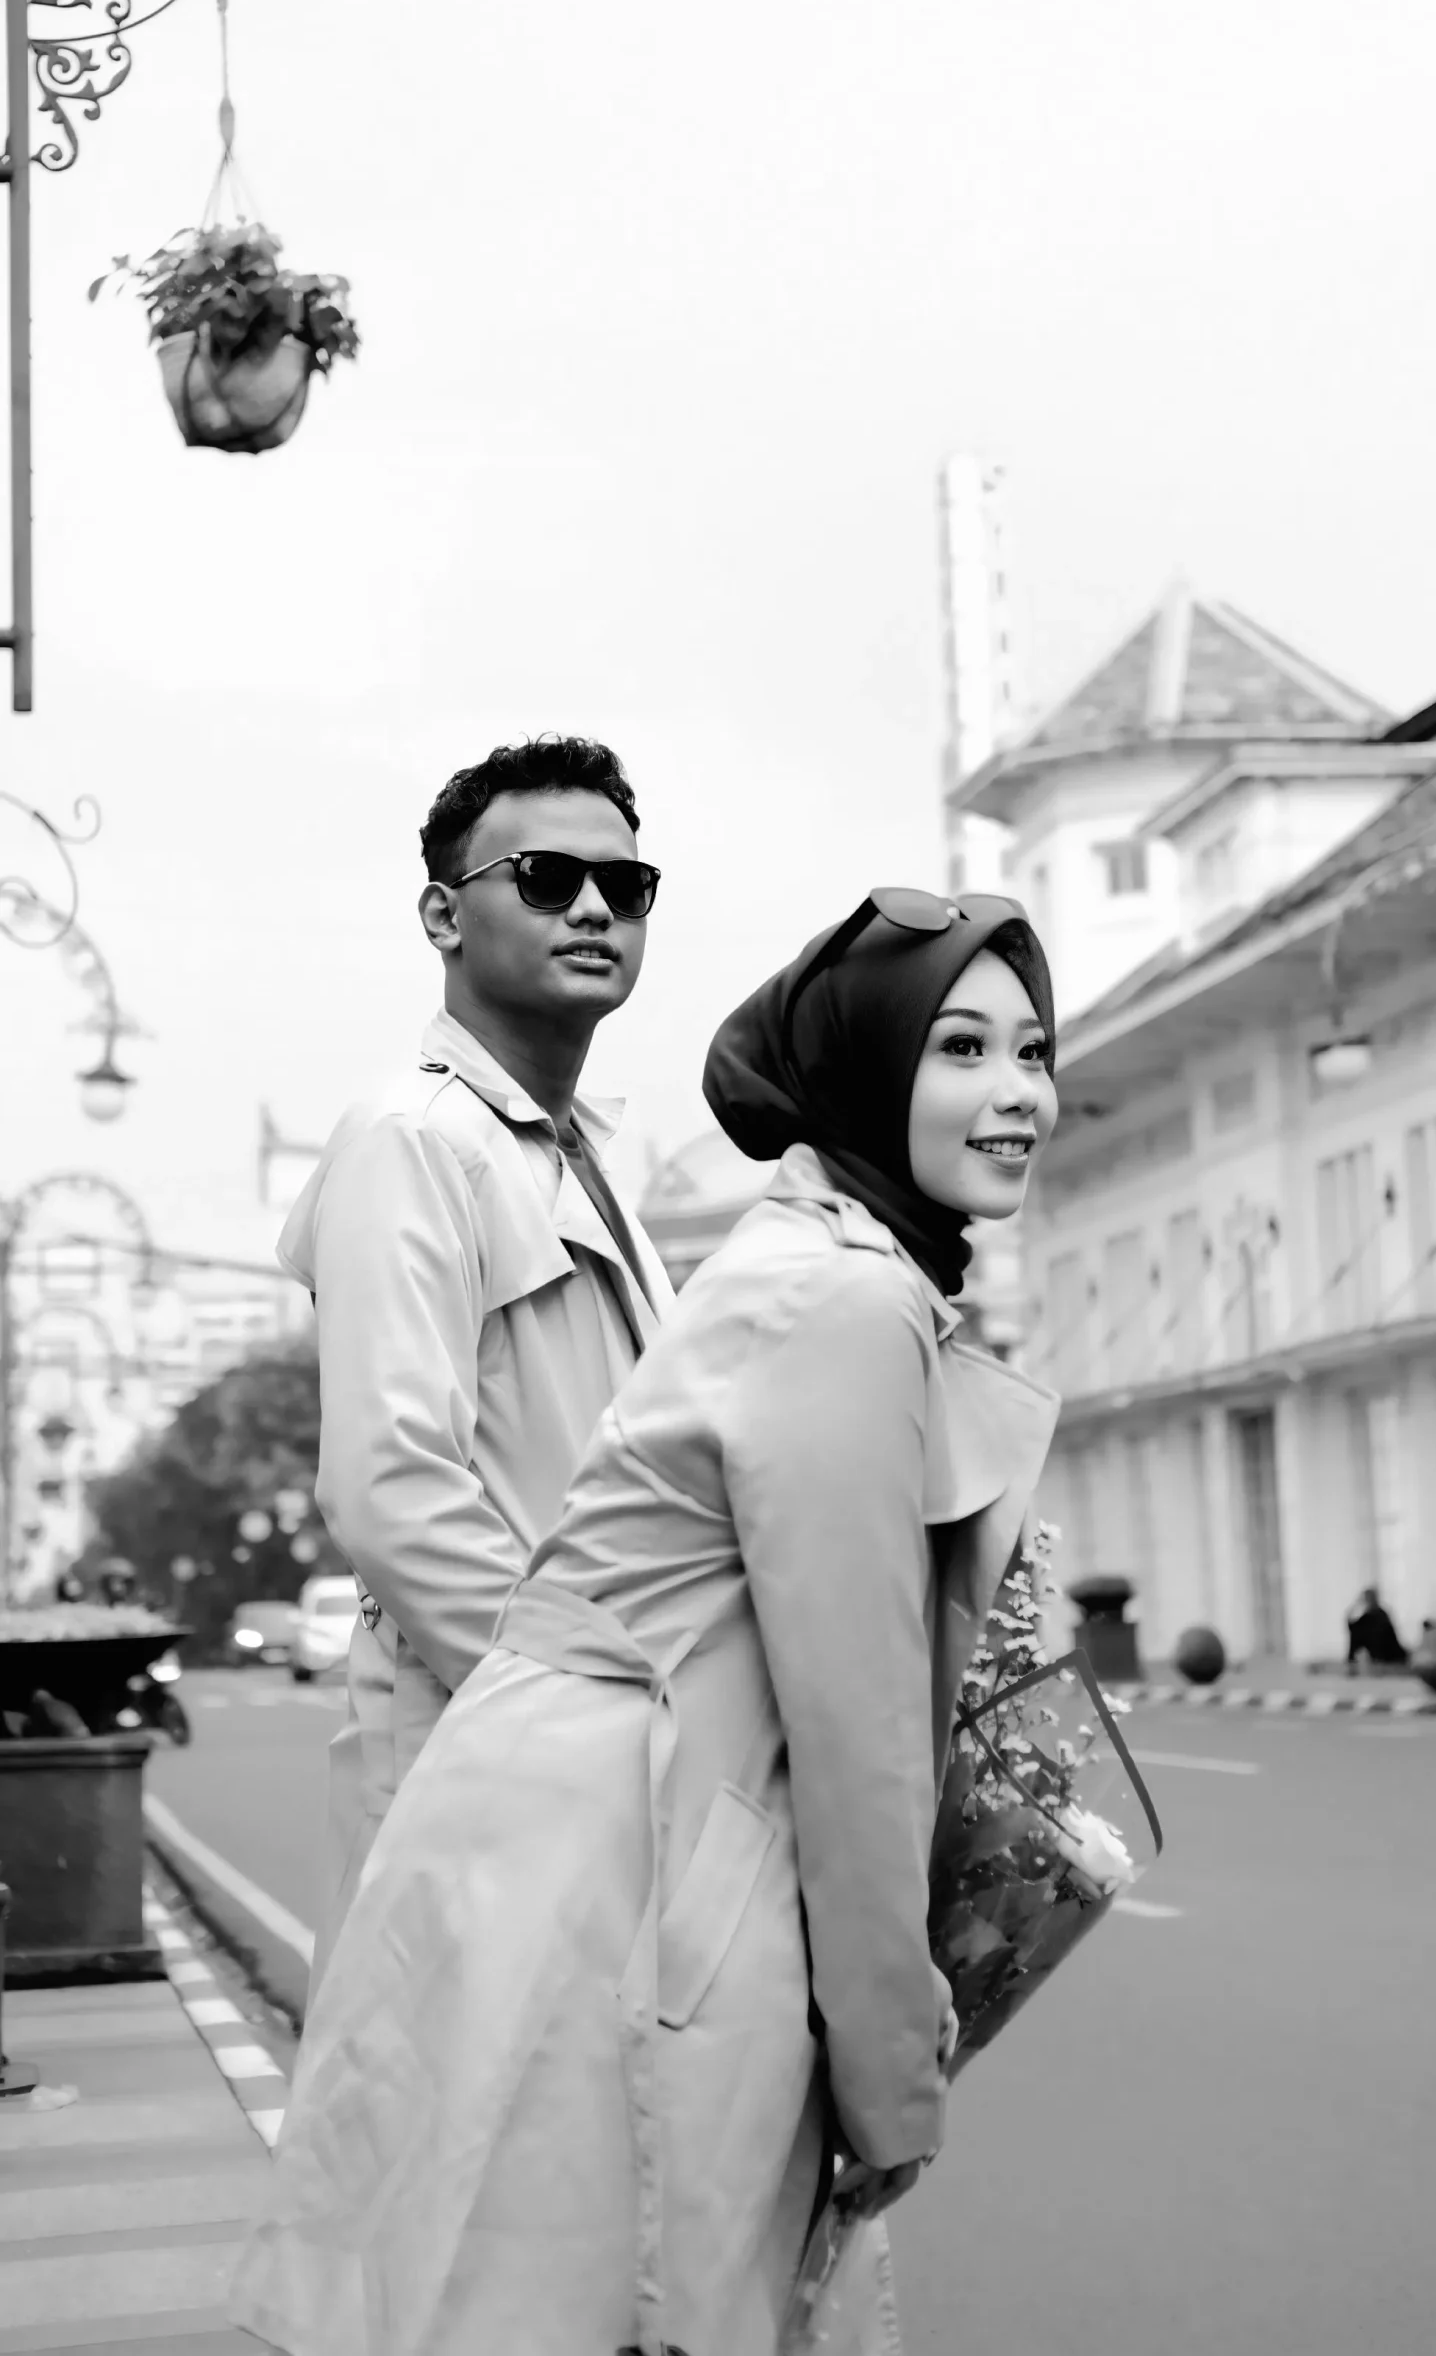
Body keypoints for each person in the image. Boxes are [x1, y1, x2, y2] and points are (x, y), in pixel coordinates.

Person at [230, 887, 1063, 2356]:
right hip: (632, 1859)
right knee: (617, 2295)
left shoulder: (810, 1263)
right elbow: (857, 1725)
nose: (1016, 1094)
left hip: (564, 1839)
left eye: (1032, 1051)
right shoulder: (843, 1301)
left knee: (495, 2285)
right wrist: (890, 2078)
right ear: (868, 1065)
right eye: (960, 1048)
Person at [279, 734, 676, 1992]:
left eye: (626, 884)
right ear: (443, 915)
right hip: (493, 1765)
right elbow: (392, 1487)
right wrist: (584, 1720)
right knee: (461, 2100)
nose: (596, 907)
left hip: (600, 1761)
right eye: (548, 878)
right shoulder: (413, 1140)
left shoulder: (581, 1158)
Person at [1344, 1585, 1407, 1673]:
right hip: (1380, 1660)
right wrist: (1356, 1605)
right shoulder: (1366, 1618)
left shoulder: (1380, 1615)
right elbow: (1352, 1627)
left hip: (1390, 1659)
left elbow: (1380, 1639)